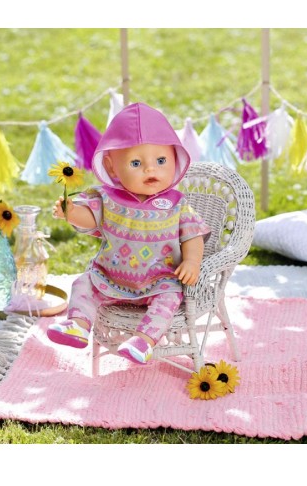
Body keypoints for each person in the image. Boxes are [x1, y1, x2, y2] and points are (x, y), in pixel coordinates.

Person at [47, 102, 210, 364]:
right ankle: (78, 324)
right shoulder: (107, 198)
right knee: (83, 283)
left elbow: (193, 234)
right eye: (136, 163)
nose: (150, 169)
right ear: (112, 168)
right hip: (109, 278)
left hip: (159, 281)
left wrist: (192, 261)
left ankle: (143, 341)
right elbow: (90, 218)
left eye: (161, 160)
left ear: (174, 158)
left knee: (168, 300)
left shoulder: (176, 204)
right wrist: (71, 212)